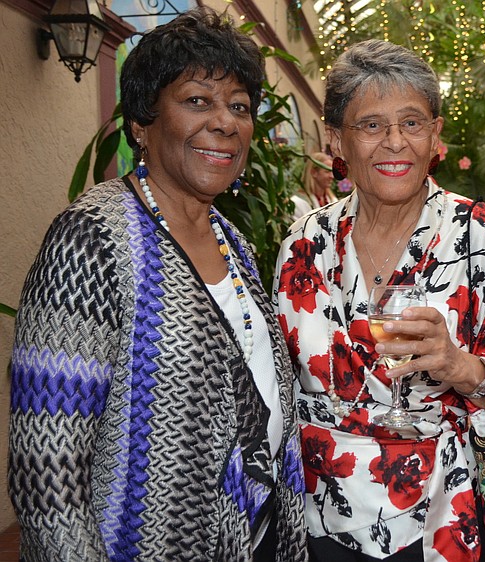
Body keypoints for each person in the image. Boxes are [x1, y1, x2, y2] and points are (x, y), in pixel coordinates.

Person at [8, 8, 307, 560]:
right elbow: (46, 472)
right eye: (197, 100)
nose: (225, 122)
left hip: (252, 537)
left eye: (239, 107)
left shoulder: (230, 241)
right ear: (143, 122)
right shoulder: (92, 239)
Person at [273, 39, 485, 562]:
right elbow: (277, 380)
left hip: (437, 509)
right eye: (370, 125)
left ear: (435, 135)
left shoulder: (478, 233)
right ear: (336, 140)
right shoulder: (303, 242)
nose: (394, 142)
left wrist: (460, 365)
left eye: (411, 122)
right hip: (321, 507)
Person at [290, 151, 338, 221]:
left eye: (332, 172)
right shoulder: (297, 203)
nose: (332, 176)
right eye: (327, 172)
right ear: (314, 172)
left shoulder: (332, 200)